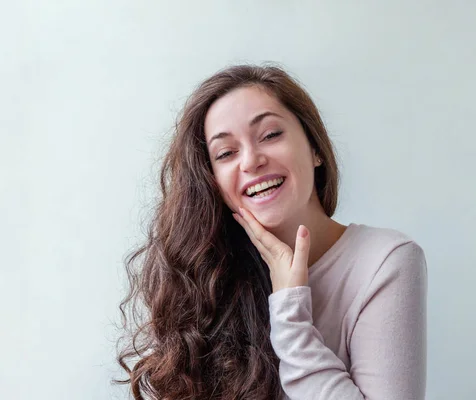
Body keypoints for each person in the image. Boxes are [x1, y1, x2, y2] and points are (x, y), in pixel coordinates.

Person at [116, 64, 428, 400]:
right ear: (213, 184)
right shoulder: (207, 279)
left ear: (315, 149)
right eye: (226, 153)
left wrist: (290, 311)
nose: (251, 161)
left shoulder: (385, 261)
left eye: (270, 135)